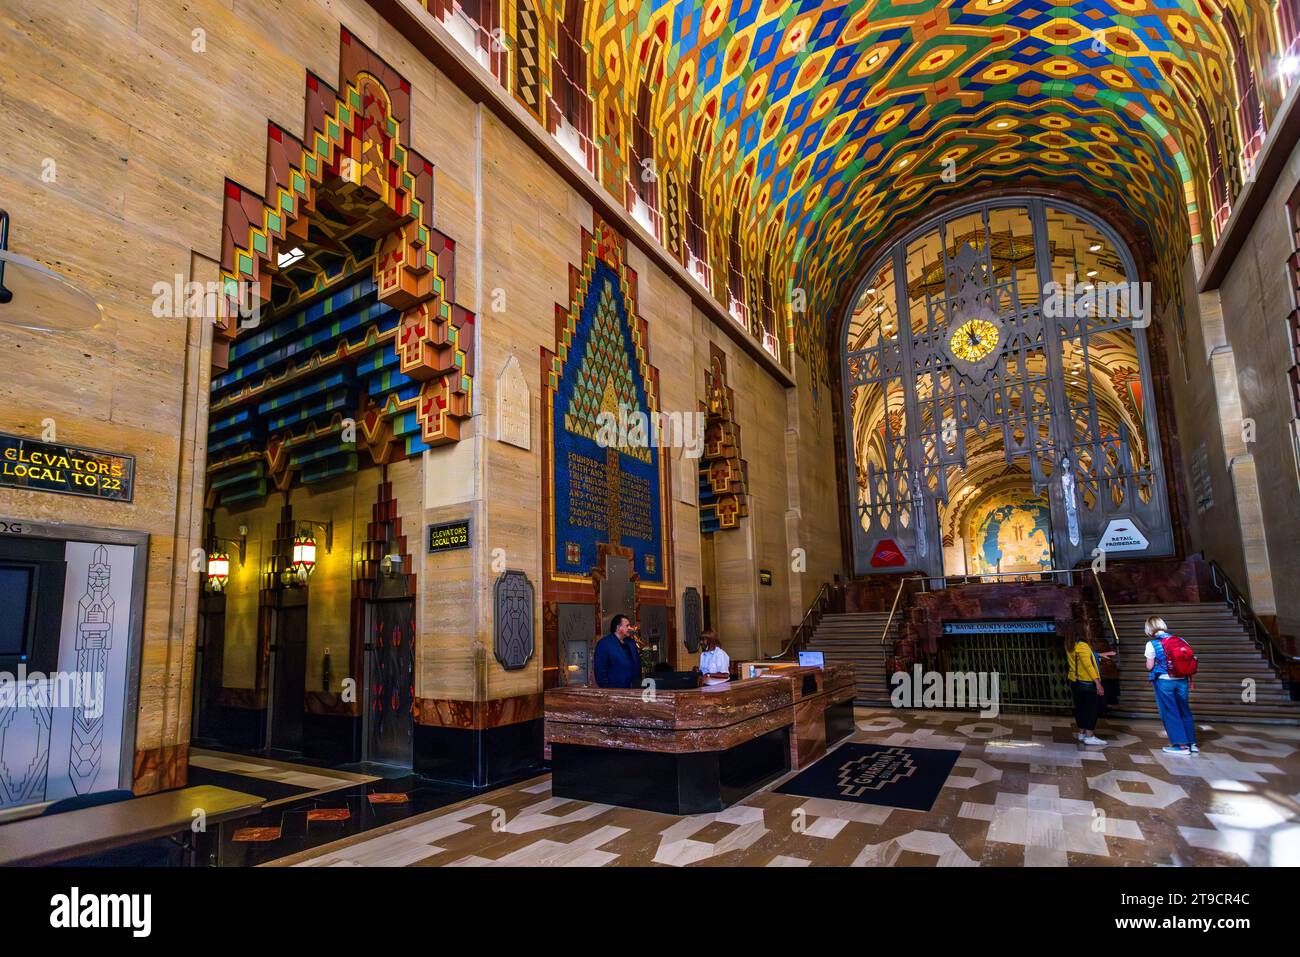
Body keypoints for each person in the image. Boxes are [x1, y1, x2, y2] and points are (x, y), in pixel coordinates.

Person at [1145, 616, 1198, 754]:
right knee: (1184, 709)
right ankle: (1192, 743)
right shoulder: (1180, 640)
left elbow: (1150, 666)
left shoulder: (1152, 644)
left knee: (1170, 711)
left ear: (1149, 629)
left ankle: (1181, 746)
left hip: (1164, 681)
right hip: (1182, 680)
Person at [1065, 635, 1109, 745]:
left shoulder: (1069, 644)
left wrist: (1099, 655)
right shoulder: (1083, 646)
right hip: (1087, 682)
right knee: (1091, 709)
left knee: (1081, 708)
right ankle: (1090, 736)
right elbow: (1088, 665)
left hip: (1075, 681)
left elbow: (1081, 658)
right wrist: (1098, 683)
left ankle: (1082, 733)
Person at [594, 614, 642, 689]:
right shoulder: (604, 644)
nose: (630, 628)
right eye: (627, 626)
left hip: (634, 690)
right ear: (618, 627)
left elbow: (637, 665)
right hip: (615, 692)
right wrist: (609, 691)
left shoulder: (631, 643)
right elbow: (600, 673)